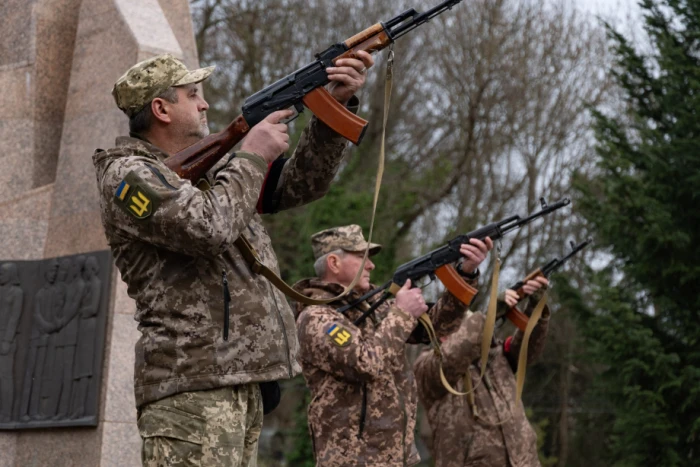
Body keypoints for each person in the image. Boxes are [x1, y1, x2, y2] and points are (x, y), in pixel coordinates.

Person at [93, 51, 373, 466]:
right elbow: (208, 228)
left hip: (239, 383)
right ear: (161, 108)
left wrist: (334, 107)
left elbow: (300, 185)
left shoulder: (214, 169)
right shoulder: (126, 176)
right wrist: (252, 155)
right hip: (192, 389)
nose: (205, 103)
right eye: (193, 95)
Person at [292, 224, 493, 466]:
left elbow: (436, 327)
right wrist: (402, 314)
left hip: (398, 456)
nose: (371, 265)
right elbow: (365, 363)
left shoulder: (374, 304)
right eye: (361, 257)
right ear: (334, 263)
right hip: (354, 460)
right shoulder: (316, 318)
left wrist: (465, 272)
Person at [414, 276, 550, 467]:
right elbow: (454, 354)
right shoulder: (427, 369)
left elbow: (528, 349)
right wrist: (489, 316)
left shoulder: (493, 355)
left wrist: (536, 307)